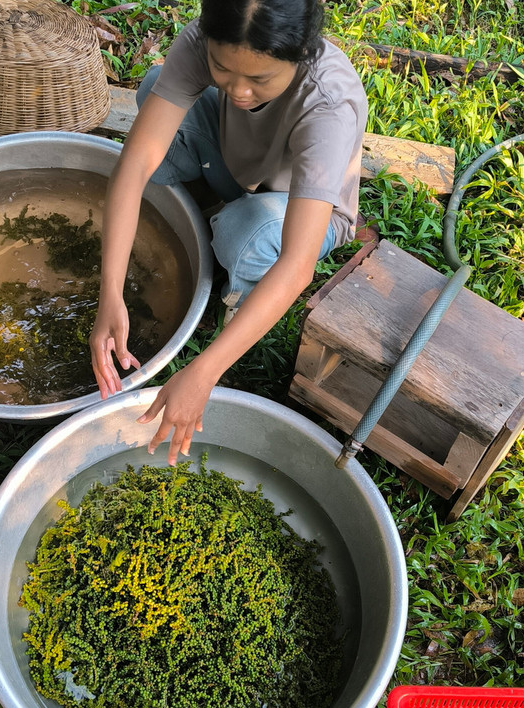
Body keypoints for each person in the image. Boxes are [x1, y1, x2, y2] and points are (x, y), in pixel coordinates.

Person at [88, 0, 368, 464]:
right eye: (222, 68)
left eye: (259, 80)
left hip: (304, 212)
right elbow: (134, 164)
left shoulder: (328, 102)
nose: (238, 90)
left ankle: (238, 295)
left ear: (300, 55)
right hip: (237, 164)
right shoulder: (203, 42)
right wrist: (110, 294)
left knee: (245, 235)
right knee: (158, 88)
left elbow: (297, 265)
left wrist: (203, 372)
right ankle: (215, 201)